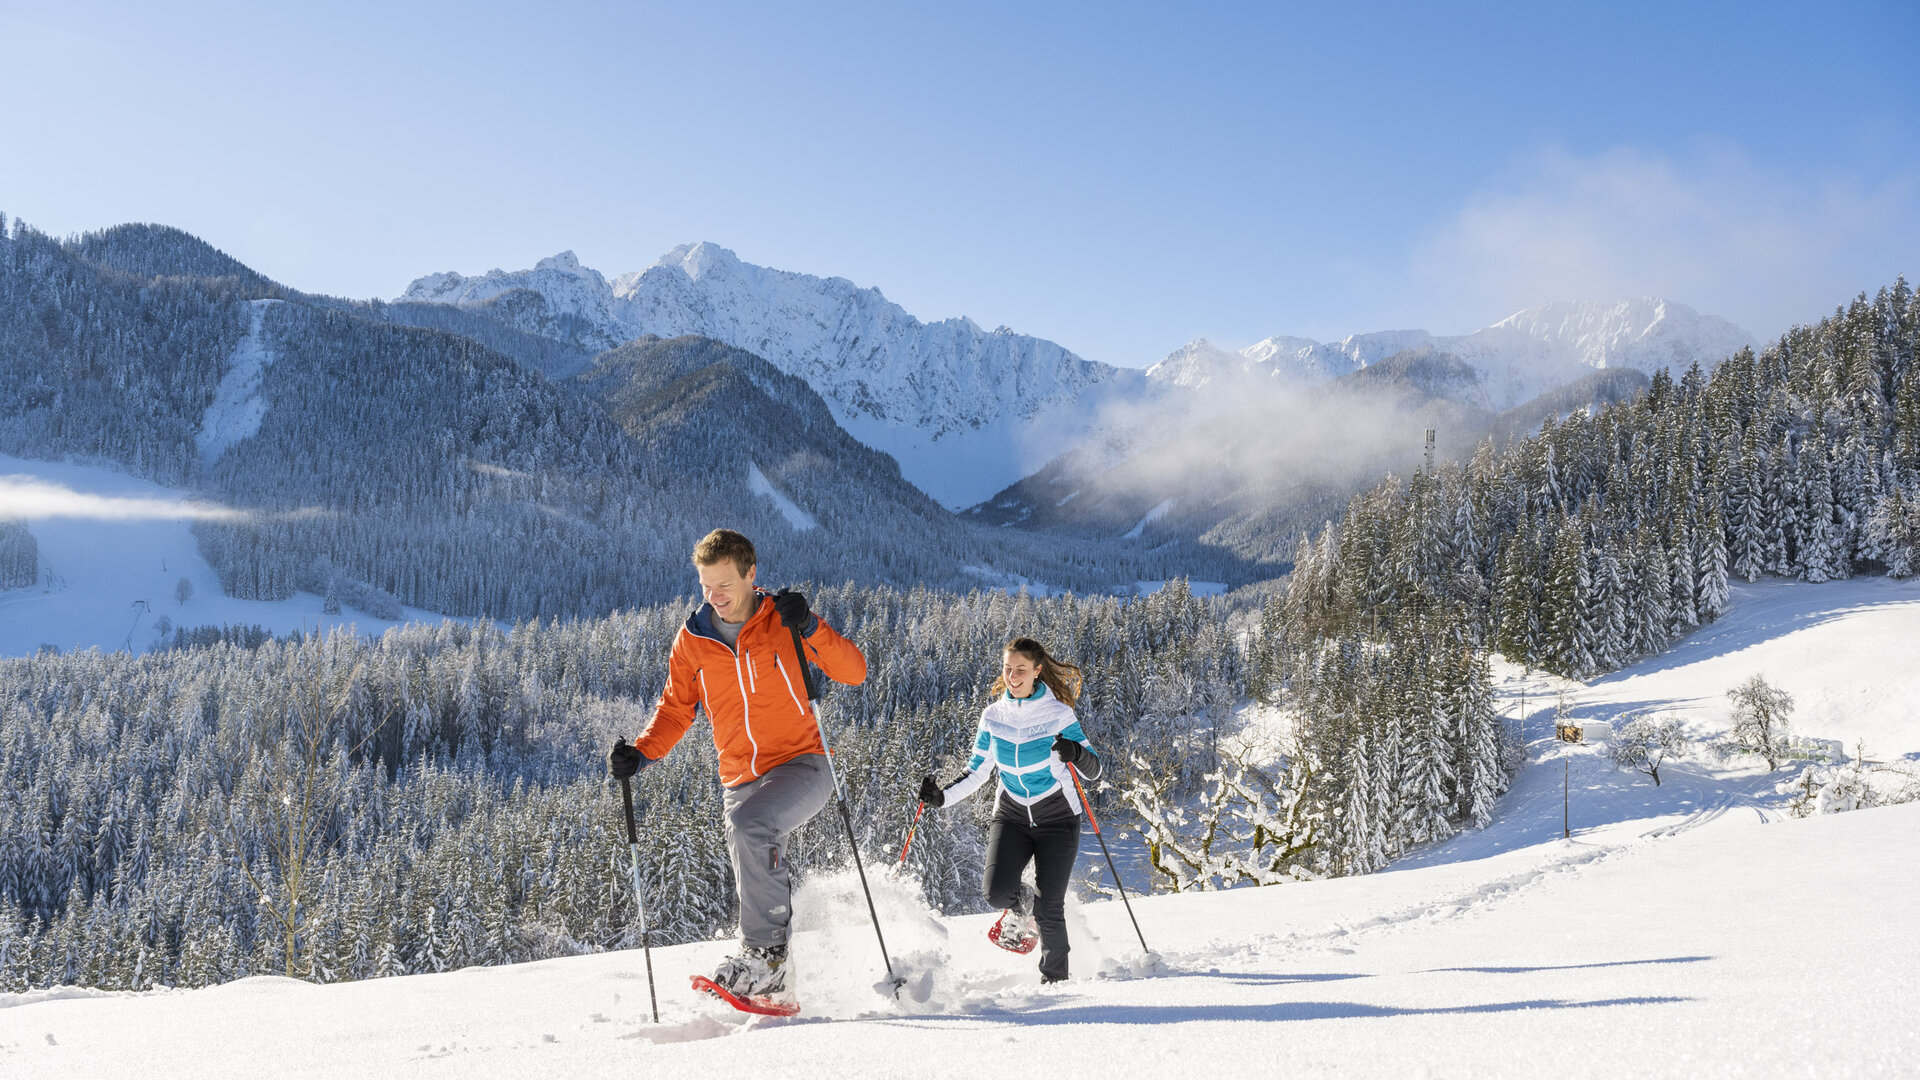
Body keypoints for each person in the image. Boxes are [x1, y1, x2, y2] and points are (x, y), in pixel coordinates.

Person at [608, 529, 867, 1004]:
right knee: (749, 844)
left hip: (802, 764)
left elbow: (854, 671)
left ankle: (767, 958)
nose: (715, 597)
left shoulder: (785, 621)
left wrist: (809, 624)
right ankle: (775, 984)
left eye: (724, 585)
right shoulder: (693, 641)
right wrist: (641, 754)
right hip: (739, 778)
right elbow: (675, 709)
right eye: (706, 586)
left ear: (752, 575)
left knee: (751, 826)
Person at [916, 636, 1102, 983]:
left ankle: (1055, 982)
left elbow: (1095, 771)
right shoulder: (993, 716)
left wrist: (1075, 753)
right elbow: (977, 771)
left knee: (1050, 908)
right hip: (1012, 815)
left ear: (1037, 671)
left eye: (1020, 669)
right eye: (1007, 669)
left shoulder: (1058, 715)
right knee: (996, 892)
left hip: (1057, 819)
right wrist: (941, 797)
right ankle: (1024, 903)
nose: (1013, 676)